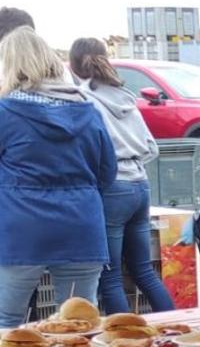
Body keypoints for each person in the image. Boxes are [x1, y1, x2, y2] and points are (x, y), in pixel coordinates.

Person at [0, 27, 115, 327]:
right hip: (81, 226)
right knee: (79, 322)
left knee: (7, 322)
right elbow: (108, 173)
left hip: (20, 231)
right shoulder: (89, 111)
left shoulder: (4, 112)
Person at [71, 37, 174, 315]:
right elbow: (151, 147)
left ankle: (125, 341)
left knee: (111, 277)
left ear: (73, 65)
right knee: (144, 271)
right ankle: (174, 327)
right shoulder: (125, 96)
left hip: (112, 189)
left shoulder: (82, 99)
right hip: (140, 185)